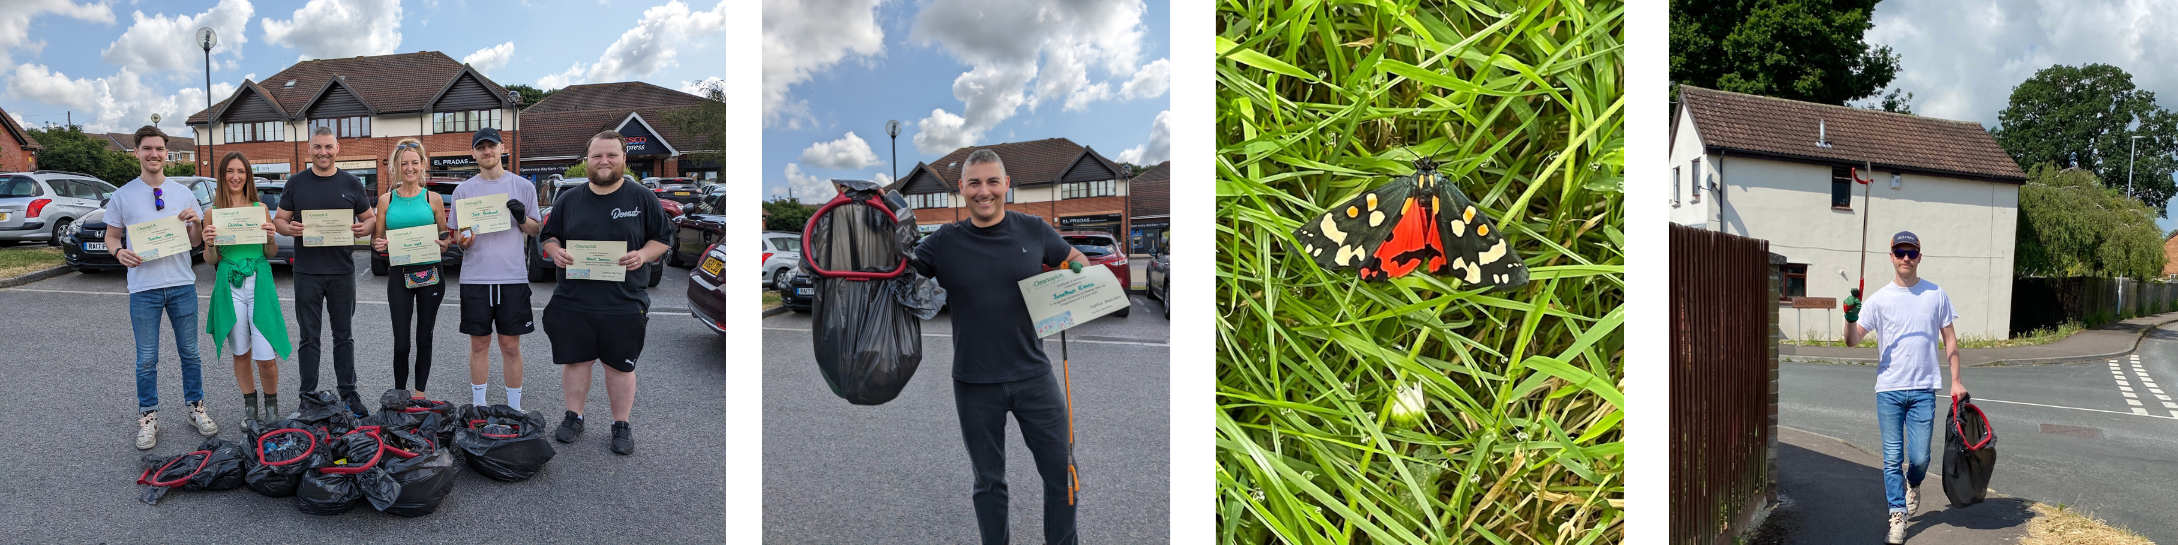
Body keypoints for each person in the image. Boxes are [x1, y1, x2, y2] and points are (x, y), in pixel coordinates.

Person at [906, 148, 1090, 545]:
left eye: (992, 182)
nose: (984, 191)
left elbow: (1077, 261)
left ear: (1007, 185)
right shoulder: (944, 241)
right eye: (975, 183)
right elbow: (900, 277)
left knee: (1062, 473)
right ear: (961, 189)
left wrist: (1074, 271)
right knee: (988, 482)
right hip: (974, 382)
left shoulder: (1034, 229)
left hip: (1034, 377)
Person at [538, 130, 671, 455]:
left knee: (620, 367)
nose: (604, 161)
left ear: (624, 158)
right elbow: (549, 236)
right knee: (577, 362)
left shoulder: (642, 198)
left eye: (611, 155)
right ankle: (574, 416)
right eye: (597, 155)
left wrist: (643, 255)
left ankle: (620, 425)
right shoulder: (569, 199)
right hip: (574, 300)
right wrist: (555, 251)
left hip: (624, 301)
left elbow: (662, 239)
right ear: (587, 160)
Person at [1843, 231, 1966, 545]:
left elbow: (1950, 340)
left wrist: (1955, 380)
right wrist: (1849, 318)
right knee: (1891, 458)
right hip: (1889, 390)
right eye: (1900, 252)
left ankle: (1914, 484)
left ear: (1920, 257)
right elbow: (1852, 340)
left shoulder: (1935, 294)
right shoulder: (1880, 299)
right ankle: (1897, 516)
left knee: (1921, 459)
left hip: (1924, 389)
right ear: (1892, 257)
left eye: (1912, 253)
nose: (1906, 258)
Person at [106, 125, 216, 449]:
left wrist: (195, 222)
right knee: (146, 359)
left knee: (191, 354)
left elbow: (195, 242)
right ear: (137, 152)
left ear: (166, 153)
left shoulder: (183, 193)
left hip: (182, 284)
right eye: (147, 148)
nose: (154, 154)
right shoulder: (122, 195)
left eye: (159, 149)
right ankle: (148, 417)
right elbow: (112, 236)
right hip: (144, 288)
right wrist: (118, 251)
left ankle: (196, 408)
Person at [273, 125, 378, 417]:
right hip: (306, 271)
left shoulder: (352, 182)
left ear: (337, 149)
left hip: (342, 271)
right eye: (317, 147)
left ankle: (349, 393)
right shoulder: (295, 183)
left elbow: (369, 219)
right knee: (309, 336)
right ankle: (308, 395)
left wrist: (363, 228)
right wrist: (289, 227)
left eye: (328, 147)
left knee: (343, 335)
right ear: (309, 149)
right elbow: (280, 220)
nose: (323, 152)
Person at [447, 128, 543, 409]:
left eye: (491, 146)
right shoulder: (463, 191)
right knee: (479, 345)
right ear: (474, 153)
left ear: (502, 148)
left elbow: (535, 229)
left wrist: (522, 217)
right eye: (481, 147)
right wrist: (464, 240)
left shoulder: (523, 186)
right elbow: (457, 237)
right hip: (475, 278)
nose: (486, 151)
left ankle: (514, 408)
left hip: (512, 277)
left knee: (511, 346)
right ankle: (480, 406)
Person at [200, 151, 290, 426]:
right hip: (230, 285)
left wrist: (271, 237)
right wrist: (210, 242)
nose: (235, 176)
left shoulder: (260, 209)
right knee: (241, 352)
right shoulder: (211, 213)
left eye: (241, 171)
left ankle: (271, 406)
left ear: (247, 176)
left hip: (259, 283)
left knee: (265, 356)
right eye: (230, 171)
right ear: (222, 176)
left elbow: (270, 251)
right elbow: (211, 260)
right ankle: (250, 407)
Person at [371, 138, 452, 399]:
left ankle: (419, 395)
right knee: (402, 343)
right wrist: (378, 243)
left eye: (414, 163)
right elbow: (377, 241)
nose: (409, 168)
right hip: (400, 276)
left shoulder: (434, 198)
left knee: (424, 338)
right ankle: (399, 394)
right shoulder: (385, 200)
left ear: (422, 165)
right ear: (395, 166)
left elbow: (445, 237)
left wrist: (445, 242)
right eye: (404, 163)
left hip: (430, 274)